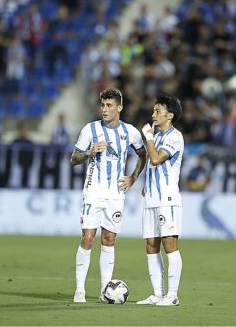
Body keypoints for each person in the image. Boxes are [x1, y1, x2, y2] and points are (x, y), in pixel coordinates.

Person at [70, 89, 147, 303]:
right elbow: (74, 158)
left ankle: (105, 291)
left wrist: (133, 177)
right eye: (102, 105)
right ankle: (80, 290)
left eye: (109, 105)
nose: (104, 109)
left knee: (109, 239)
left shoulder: (130, 132)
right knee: (87, 238)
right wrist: (88, 153)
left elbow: (143, 154)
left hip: (116, 194)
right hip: (93, 192)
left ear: (119, 107)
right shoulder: (90, 129)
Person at [137, 95, 184, 306]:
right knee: (151, 245)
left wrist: (147, 137)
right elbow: (150, 165)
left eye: (158, 111)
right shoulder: (155, 137)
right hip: (152, 198)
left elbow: (155, 159)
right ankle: (157, 294)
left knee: (169, 244)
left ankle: (172, 295)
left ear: (170, 115)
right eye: (153, 111)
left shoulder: (175, 137)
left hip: (167, 198)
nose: (153, 114)